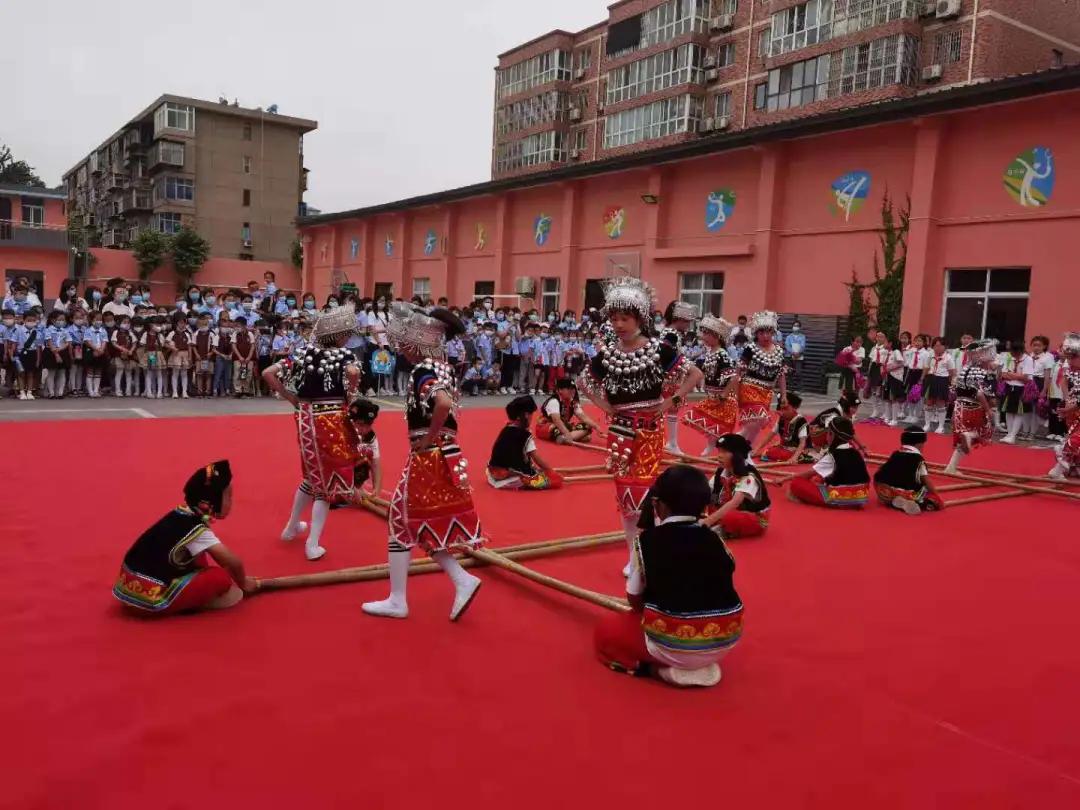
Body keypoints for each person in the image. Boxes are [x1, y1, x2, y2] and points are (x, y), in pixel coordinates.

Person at [362, 303, 486, 621]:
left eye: (404, 343)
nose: (401, 349)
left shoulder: (422, 371)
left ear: (416, 344)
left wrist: (429, 438)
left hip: (428, 455)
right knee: (414, 523)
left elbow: (442, 402)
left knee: (401, 520)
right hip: (445, 453)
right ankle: (458, 580)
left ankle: (400, 598)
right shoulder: (443, 366)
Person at [578, 276, 702, 577]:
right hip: (620, 431)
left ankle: (648, 551)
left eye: (625, 318)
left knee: (644, 492)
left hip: (648, 429)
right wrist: (604, 405)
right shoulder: (608, 353)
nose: (619, 324)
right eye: (615, 318)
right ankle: (633, 554)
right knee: (625, 495)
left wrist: (671, 400)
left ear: (639, 318)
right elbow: (583, 381)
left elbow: (695, 374)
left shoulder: (659, 349)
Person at [594, 465, 743, 688]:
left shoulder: (646, 542)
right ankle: (699, 662)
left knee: (607, 630)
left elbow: (634, 600)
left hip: (672, 644)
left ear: (659, 504)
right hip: (726, 638)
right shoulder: (715, 539)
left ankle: (659, 670)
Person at [263, 306, 362, 561]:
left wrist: (290, 397)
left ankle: (291, 527)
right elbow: (352, 375)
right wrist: (351, 391)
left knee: (311, 474)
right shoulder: (344, 355)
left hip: (305, 419)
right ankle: (313, 543)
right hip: (331, 420)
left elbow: (268, 373)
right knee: (327, 485)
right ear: (339, 335)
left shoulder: (303, 353)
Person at [112, 460, 259, 615]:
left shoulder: (180, 513)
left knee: (197, 557)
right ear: (212, 502)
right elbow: (232, 562)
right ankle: (188, 601)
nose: (231, 502)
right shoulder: (197, 530)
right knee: (220, 577)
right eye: (228, 496)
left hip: (126, 587)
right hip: (148, 599)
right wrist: (244, 582)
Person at [681, 315, 738, 456]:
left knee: (719, 428)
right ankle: (712, 448)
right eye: (704, 333)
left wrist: (724, 395)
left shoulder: (722, 354)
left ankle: (725, 452)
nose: (703, 337)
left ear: (717, 336)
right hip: (712, 396)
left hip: (723, 398)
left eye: (707, 334)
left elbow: (734, 377)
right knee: (702, 419)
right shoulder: (709, 352)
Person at [788, 416, 870, 508]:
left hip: (839, 498)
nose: (826, 436)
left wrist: (784, 479)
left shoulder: (832, 456)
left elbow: (806, 475)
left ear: (832, 435)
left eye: (828, 433)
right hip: (861, 497)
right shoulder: (856, 453)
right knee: (819, 478)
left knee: (796, 483)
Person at [944, 340, 1000, 474]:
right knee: (985, 432)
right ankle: (969, 435)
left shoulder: (966, 369)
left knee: (963, 441)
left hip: (959, 407)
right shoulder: (983, 373)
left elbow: (956, 390)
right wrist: (989, 409)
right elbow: (980, 393)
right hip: (974, 408)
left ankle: (951, 467)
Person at [701, 434, 771, 539]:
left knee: (730, 517)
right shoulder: (721, 471)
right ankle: (720, 527)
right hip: (724, 509)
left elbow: (735, 503)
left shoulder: (748, 476)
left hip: (752, 517)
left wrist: (708, 521)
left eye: (724, 452)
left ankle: (721, 529)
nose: (719, 455)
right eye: (719, 451)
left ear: (737, 455)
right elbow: (709, 491)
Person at [486, 395, 564, 490]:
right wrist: (550, 471)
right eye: (531, 414)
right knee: (555, 480)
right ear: (525, 416)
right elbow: (536, 458)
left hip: (494, 472)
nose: (532, 418)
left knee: (537, 471)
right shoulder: (524, 435)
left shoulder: (505, 429)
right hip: (511, 476)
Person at [735, 311, 786, 445]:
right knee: (758, 418)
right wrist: (735, 392)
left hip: (767, 391)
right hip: (749, 387)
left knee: (758, 423)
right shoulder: (750, 349)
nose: (765, 336)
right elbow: (738, 371)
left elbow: (781, 374)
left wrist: (784, 395)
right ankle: (741, 445)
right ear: (756, 334)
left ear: (773, 333)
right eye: (761, 333)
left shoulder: (779, 351)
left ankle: (742, 445)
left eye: (769, 332)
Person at [873, 427, 945, 515]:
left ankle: (890, 500)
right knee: (932, 499)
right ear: (919, 444)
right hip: (907, 492)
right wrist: (937, 495)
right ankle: (913, 502)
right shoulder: (918, 459)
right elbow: (926, 480)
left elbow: (882, 470)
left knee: (892, 486)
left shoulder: (895, 454)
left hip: (884, 489)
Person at [660, 300, 698, 455]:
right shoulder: (671, 334)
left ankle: (672, 443)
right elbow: (669, 356)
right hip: (670, 378)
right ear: (679, 319)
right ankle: (671, 443)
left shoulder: (671, 333)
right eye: (686, 322)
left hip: (672, 377)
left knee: (671, 410)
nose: (688, 325)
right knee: (670, 409)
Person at [1048, 333, 1080, 480]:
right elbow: (1064, 382)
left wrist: (1070, 406)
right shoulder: (1072, 370)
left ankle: (1063, 467)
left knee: (1075, 437)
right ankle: (1068, 467)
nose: (1070, 361)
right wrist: (1068, 400)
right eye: (1068, 358)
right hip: (1074, 406)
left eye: (1073, 358)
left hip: (1075, 407)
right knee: (1074, 435)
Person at [536, 378, 600, 444]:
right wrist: (567, 433)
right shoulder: (554, 401)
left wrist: (597, 427)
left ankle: (566, 438)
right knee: (555, 429)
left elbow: (584, 418)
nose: (573, 391)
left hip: (563, 426)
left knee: (588, 426)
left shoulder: (573, 402)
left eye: (573, 388)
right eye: (569, 389)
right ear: (560, 390)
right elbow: (556, 420)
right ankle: (569, 437)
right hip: (547, 427)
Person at [347, 398, 383, 505]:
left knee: (366, 454)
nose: (365, 429)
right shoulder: (342, 432)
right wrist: (351, 488)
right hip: (330, 473)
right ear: (352, 420)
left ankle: (357, 487)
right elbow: (336, 465)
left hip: (349, 477)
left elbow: (376, 464)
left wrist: (376, 489)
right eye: (361, 424)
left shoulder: (370, 436)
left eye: (369, 425)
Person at [757, 393, 811, 463]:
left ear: (794, 408)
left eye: (786, 409)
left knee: (783, 454)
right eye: (781, 409)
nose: (782, 412)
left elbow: (802, 443)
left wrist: (794, 458)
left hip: (797, 450)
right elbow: (769, 436)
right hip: (783, 448)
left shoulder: (801, 421)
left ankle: (799, 456)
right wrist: (756, 450)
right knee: (768, 451)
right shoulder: (781, 419)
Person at [922, 338, 955, 434]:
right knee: (929, 402)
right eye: (935, 345)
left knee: (940, 403)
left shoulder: (948, 358)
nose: (937, 348)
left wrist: (949, 384)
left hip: (942, 380)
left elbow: (951, 372)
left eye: (940, 345)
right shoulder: (930, 355)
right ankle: (927, 424)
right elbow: (926, 367)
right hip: (930, 379)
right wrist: (922, 379)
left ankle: (941, 426)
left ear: (945, 347)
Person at [137, 316, 166, 398]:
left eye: (159, 324)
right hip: (151, 355)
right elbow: (142, 344)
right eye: (156, 324)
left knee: (159, 373)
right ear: (150, 325)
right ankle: (149, 392)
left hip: (158, 354)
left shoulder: (160, 335)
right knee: (149, 373)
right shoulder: (146, 334)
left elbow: (162, 345)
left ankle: (159, 392)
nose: (158, 326)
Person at [865, 332, 889, 421]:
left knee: (881, 391)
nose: (879, 338)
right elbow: (871, 360)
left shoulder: (886, 349)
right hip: (874, 368)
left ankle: (884, 412)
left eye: (882, 337)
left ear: (885, 338)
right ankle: (875, 410)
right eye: (878, 337)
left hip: (882, 368)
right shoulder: (873, 348)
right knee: (873, 390)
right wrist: (869, 372)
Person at [231, 318, 258, 397]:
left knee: (247, 374)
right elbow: (233, 346)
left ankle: (246, 390)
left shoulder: (250, 334)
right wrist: (240, 357)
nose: (237, 327)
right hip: (238, 358)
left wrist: (249, 357)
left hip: (249, 358)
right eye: (236, 326)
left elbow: (252, 346)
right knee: (237, 373)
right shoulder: (235, 334)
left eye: (238, 326)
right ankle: (238, 390)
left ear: (244, 326)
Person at [784, 320, 807, 389]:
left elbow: (803, 346)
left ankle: (799, 387)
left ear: (799, 327)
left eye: (797, 326)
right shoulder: (789, 337)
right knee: (789, 372)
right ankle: (790, 387)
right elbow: (787, 346)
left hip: (799, 357)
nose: (795, 327)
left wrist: (798, 353)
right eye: (794, 326)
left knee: (798, 372)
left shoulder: (802, 337)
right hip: (789, 356)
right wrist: (792, 352)